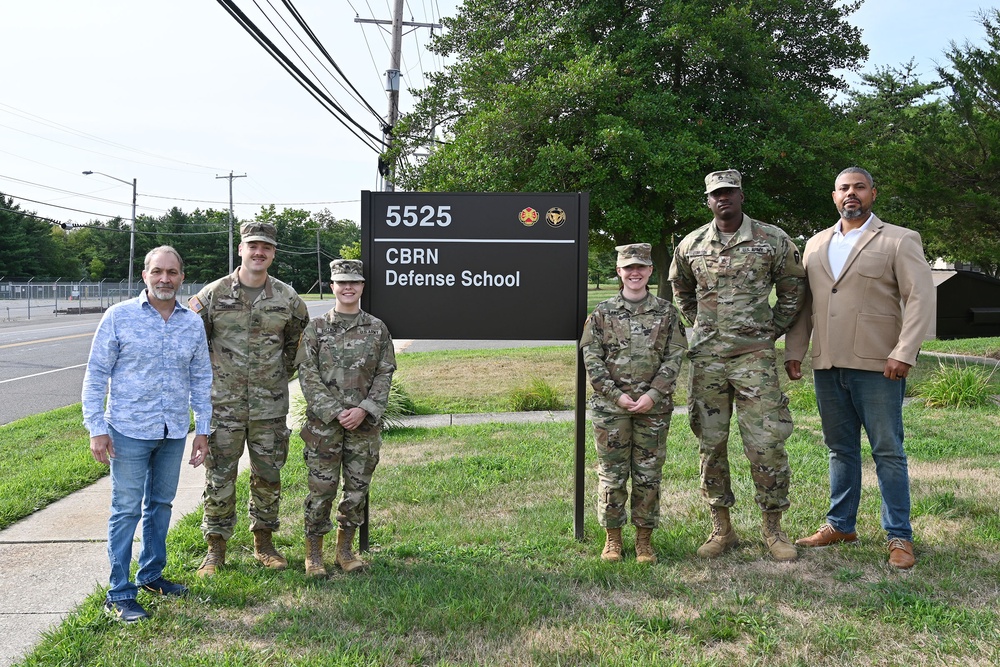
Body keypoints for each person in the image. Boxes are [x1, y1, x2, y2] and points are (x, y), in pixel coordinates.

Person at [784, 167, 935, 569]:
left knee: (887, 450)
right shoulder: (815, 244)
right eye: (844, 188)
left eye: (859, 187)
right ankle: (840, 525)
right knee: (839, 449)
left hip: (879, 365)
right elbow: (807, 304)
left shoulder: (900, 240)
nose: (851, 194)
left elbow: (920, 298)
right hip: (828, 364)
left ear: (872, 193)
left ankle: (899, 536)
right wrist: (795, 350)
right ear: (834, 196)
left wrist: (904, 352)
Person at [668, 169, 806, 562]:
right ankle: (722, 528)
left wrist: (771, 330)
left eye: (729, 192)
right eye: (716, 194)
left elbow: (793, 287)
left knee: (766, 444)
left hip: (754, 358)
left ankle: (774, 529)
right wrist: (700, 325)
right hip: (708, 360)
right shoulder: (691, 243)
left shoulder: (773, 239)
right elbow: (681, 289)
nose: (723, 199)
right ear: (708, 200)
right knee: (711, 445)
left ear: (742, 196)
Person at [82, 246, 212, 623]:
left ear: (182, 277)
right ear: (145, 275)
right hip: (127, 431)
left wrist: (201, 429)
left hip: (172, 431)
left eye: (172, 272)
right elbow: (95, 375)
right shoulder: (118, 317)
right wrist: (96, 428)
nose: (165, 279)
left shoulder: (192, 323)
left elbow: (202, 379)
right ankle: (119, 593)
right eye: (158, 271)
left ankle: (151, 576)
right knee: (125, 511)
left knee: (160, 505)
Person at [189, 221, 310, 576]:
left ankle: (264, 542)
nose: (259, 253)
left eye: (266, 248)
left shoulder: (287, 298)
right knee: (219, 477)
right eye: (253, 246)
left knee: (268, 476)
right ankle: (216, 548)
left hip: (269, 406)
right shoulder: (212, 295)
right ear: (241, 249)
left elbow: (297, 347)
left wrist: (272, 378)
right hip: (222, 407)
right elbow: (195, 345)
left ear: (273, 254)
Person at [580, 243, 687, 564]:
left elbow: (675, 355)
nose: (635, 272)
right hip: (611, 410)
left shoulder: (667, 313)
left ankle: (644, 541)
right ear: (619, 272)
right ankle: (613, 539)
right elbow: (591, 357)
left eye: (640, 266)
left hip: (653, 410)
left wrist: (653, 394)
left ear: (651, 271)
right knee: (612, 475)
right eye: (628, 267)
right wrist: (618, 396)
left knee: (648, 475)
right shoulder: (601, 313)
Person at [295, 259, 396, 576]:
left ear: (362, 286)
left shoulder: (377, 329)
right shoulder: (316, 328)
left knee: (356, 491)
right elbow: (307, 374)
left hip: (363, 426)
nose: (348, 287)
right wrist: (336, 411)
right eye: (342, 282)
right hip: (324, 426)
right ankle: (314, 554)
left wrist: (364, 409)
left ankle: (345, 550)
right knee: (321, 490)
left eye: (354, 282)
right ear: (333, 286)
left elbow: (385, 372)